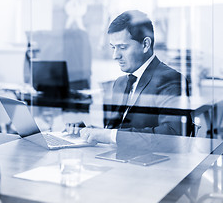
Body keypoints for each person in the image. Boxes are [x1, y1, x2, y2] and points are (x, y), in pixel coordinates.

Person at [77, 10, 189, 144]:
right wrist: (91, 132)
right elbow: (115, 132)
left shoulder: (171, 79)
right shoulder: (120, 83)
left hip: (153, 163)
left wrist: (109, 136)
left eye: (122, 47)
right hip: (119, 160)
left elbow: (172, 135)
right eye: (113, 48)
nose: (115, 56)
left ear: (145, 45)